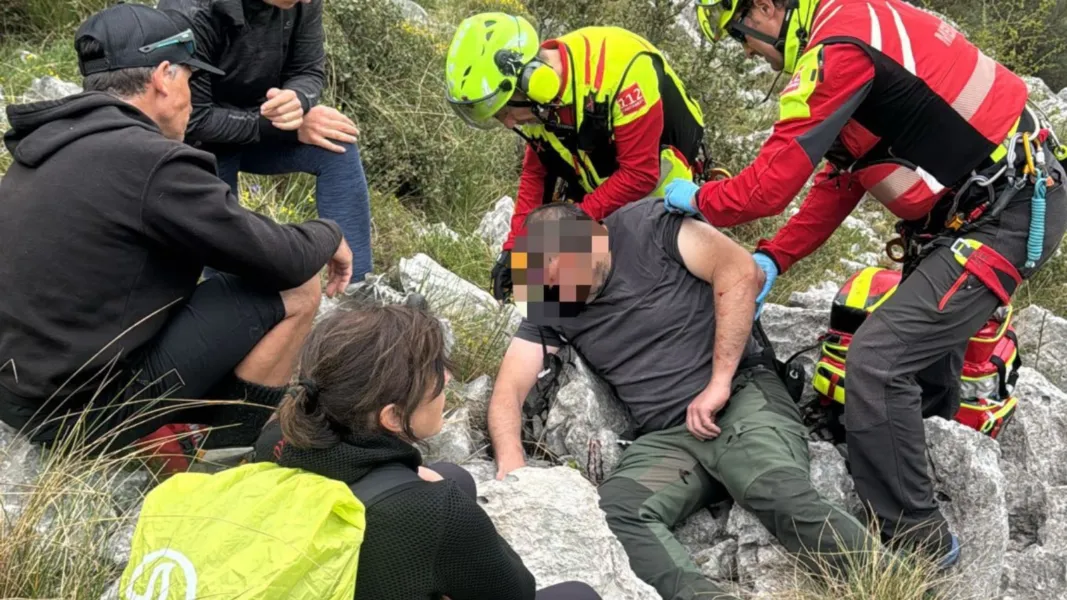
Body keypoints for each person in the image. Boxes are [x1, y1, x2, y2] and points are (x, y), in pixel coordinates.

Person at [663, 0, 1067, 565]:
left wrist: (696, 199)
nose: (747, 51)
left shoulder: (838, 49)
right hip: (986, 207)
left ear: (762, 7)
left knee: (877, 362)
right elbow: (842, 178)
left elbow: (767, 190)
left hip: (1005, 212)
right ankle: (928, 458)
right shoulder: (859, 26)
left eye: (741, 35)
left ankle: (918, 543)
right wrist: (775, 257)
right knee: (924, 358)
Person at [0, 3, 351, 458]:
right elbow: (282, 258)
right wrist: (329, 234)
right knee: (299, 288)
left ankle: (215, 424)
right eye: (190, 78)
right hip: (76, 418)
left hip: (17, 391)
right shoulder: (151, 162)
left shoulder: (46, 149)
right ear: (164, 77)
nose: (191, 95)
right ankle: (228, 462)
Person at [488, 199, 875, 600]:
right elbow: (509, 389)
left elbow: (741, 271)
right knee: (618, 509)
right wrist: (513, 468)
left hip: (741, 399)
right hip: (674, 443)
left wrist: (719, 382)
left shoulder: (649, 227)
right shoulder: (548, 294)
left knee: (772, 487)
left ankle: (893, 580)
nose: (563, 294)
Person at [250, 305, 603, 600]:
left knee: (456, 476)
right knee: (578, 594)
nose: (447, 378)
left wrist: (413, 479)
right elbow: (517, 592)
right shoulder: (438, 511)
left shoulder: (281, 431)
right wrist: (457, 526)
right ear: (393, 416)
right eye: (435, 373)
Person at [444, 13, 707, 302]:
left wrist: (570, 226)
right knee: (558, 288)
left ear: (533, 80)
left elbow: (640, 174)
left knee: (654, 286)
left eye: (506, 111)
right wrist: (515, 249)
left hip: (662, 183)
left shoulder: (622, 71)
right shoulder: (540, 100)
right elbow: (537, 174)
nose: (508, 123)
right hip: (599, 177)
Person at [157, 0, 373, 284]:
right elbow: (192, 120)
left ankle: (357, 289)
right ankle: (223, 292)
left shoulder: (301, 2)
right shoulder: (191, 11)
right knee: (215, 166)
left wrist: (297, 101)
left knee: (335, 140)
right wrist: (282, 128)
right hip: (195, 139)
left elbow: (308, 71)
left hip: (255, 125)